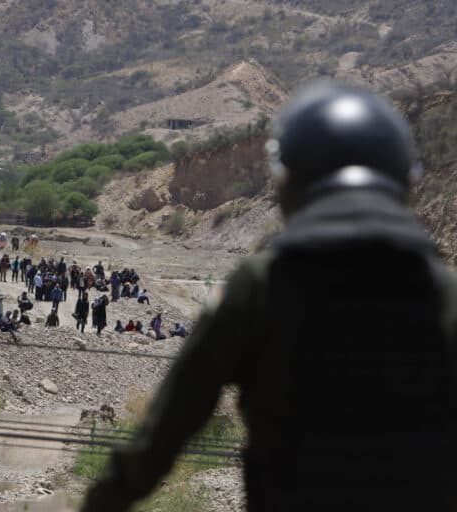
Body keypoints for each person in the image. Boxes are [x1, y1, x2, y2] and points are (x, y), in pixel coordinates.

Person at [81, 82, 457, 512]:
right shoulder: (445, 296)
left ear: (288, 183)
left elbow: (169, 427)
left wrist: (104, 499)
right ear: (405, 181)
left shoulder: (260, 287)